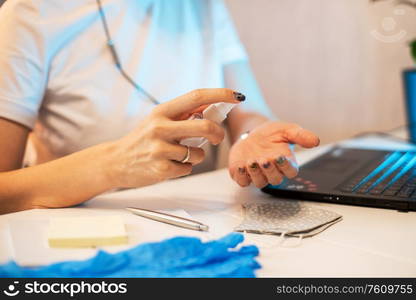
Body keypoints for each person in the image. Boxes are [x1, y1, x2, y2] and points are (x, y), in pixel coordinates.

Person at [0, 0, 320, 214]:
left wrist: (252, 137)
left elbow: (244, 107)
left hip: (197, 227)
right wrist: (114, 164)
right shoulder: (32, 13)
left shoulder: (203, 5)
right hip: (79, 239)